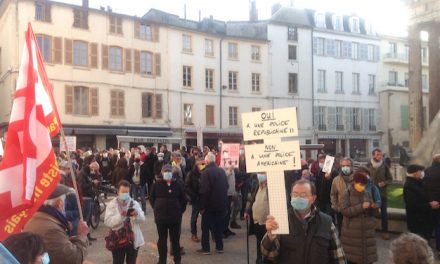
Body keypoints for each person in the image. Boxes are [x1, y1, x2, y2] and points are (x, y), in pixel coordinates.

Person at [262, 179, 346, 264]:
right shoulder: (281, 220)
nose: (298, 198)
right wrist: (270, 237)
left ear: (313, 198)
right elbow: (269, 255)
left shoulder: (326, 222)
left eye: (303, 195)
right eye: (295, 194)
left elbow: (339, 257)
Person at [23, 184, 89, 264]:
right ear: (59, 203)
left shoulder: (38, 217)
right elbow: (74, 259)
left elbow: (55, 249)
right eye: (65, 202)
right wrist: (82, 235)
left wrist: (68, 241)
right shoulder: (51, 229)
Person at [150, 164, 187, 264]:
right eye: (165, 171)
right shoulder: (156, 184)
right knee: (162, 240)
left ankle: (177, 260)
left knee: (175, 240)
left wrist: (179, 211)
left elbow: (183, 200)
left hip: (174, 218)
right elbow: (152, 199)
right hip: (161, 218)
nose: (167, 173)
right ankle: (162, 260)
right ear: (162, 173)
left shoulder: (178, 184)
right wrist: (157, 209)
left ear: (172, 173)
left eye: (169, 171)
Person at [340, 172, 378, 264]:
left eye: (364, 185)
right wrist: (361, 207)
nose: (363, 187)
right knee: (353, 259)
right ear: (355, 182)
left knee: (367, 258)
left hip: (367, 233)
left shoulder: (367, 194)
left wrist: (374, 208)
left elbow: (373, 212)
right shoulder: (347, 194)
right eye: (361, 184)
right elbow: (345, 211)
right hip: (352, 233)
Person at [104, 180, 145, 264]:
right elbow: (108, 221)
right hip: (117, 239)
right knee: (117, 261)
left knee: (132, 261)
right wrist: (121, 216)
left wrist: (136, 215)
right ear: (118, 191)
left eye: (127, 192)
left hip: (132, 239)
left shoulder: (134, 203)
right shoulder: (112, 204)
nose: (125, 194)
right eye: (123, 192)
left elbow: (143, 219)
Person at [198, 152, 229, 255]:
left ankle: (206, 248)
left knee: (205, 227)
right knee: (218, 226)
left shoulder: (205, 172)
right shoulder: (222, 171)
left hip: (209, 206)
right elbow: (227, 186)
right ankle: (220, 247)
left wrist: (202, 207)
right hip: (221, 204)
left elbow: (204, 191)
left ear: (206, 161)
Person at [403, 164, 438, 241]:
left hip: (424, 219)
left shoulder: (419, 182)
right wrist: (429, 205)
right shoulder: (409, 186)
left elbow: (424, 197)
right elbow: (412, 205)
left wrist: (431, 202)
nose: (422, 173)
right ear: (415, 173)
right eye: (420, 171)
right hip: (417, 221)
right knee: (420, 243)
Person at [366, 148, 392, 240]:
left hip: (382, 193)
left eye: (380, 155)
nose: (379, 156)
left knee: (384, 214)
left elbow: (390, 179)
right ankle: (369, 231)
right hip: (370, 193)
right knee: (370, 213)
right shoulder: (368, 165)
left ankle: (385, 231)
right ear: (373, 155)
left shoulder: (385, 166)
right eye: (377, 155)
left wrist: (384, 183)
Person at [245, 172, 269, 264]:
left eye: (263, 173)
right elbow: (253, 200)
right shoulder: (257, 185)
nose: (260, 175)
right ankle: (259, 260)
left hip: (267, 223)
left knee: (267, 245)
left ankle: (265, 260)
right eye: (259, 173)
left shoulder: (272, 187)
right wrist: (247, 211)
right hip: (257, 221)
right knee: (259, 243)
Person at [330, 158, 354, 234]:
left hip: (354, 210)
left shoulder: (357, 178)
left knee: (353, 231)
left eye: (347, 165)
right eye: (343, 166)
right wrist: (336, 206)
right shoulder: (336, 180)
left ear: (352, 166)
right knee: (341, 230)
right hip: (341, 210)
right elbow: (333, 194)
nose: (345, 167)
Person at [185, 158, 205, 242]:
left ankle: (208, 234)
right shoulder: (191, 174)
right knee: (194, 217)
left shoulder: (205, 173)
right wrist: (193, 196)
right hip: (196, 198)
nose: (202, 166)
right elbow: (186, 186)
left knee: (206, 217)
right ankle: (194, 234)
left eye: (203, 164)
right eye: (200, 164)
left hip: (204, 198)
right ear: (196, 165)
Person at [423, 153, 440, 252]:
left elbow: (423, 187)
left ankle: (426, 246)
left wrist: (429, 201)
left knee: (429, 225)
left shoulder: (426, 171)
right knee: (438, 226)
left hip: (429, 203)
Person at [224, 162, 237, 237]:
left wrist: (234, 192)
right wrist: (229, 170)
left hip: (231, 193)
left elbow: (233, 181)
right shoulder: (222, 167)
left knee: (228, 213)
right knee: (225, 213)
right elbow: (224, 177)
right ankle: (223, 230)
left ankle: (226, 228)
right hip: (226, 194)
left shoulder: (232, 167)